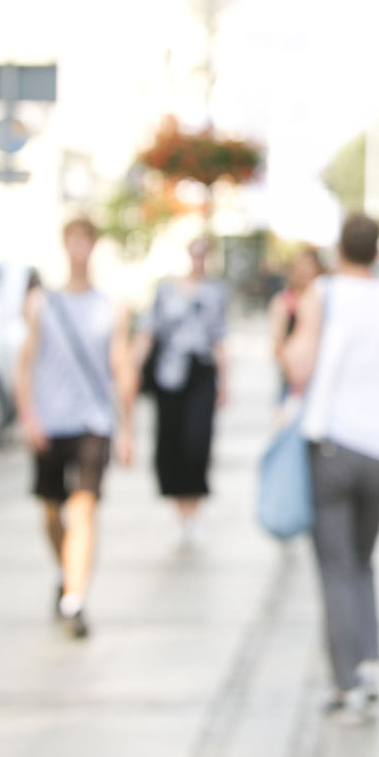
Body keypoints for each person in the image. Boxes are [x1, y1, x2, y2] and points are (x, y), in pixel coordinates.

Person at [282, 213, 379, 722]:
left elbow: (297, 365)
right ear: (377, 249)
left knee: (337, 566)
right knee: (363, 558)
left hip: (336, 449)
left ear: (340, 248)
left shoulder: (325, 291)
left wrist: (287, 330)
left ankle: (348, 686)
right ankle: (370, 662)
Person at [14, 217, 135, 638]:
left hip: (93, 421)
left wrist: (127, 428)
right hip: (50, 421)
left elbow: (121, 366)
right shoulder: (41, 303)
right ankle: (65, 571)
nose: (79, 249)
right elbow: (24, 364)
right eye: (73, 241)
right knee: (52, 511)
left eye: (86, 241)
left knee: (83, 509)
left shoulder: (110, 304)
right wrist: (28, 416)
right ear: (65, 246)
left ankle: (74, 598)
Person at [135, 235, 228, 550]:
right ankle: (180, 513)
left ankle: (195, 510)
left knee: (197, 442)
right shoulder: (166, 290)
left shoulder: (215, 292)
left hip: (200, 373)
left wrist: (225, 382)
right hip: (169, 376)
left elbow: (219, 338)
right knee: (172, 442)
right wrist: (130, 371)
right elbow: (148, 332)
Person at [269, 245, 325, 396]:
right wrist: (293, 372)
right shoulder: (283, 301)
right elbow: (277, 343)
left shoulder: (325, 300)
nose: (303, 271)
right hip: (294, 381)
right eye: (299, 266)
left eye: (308, 265)